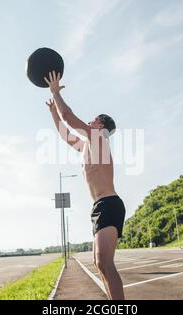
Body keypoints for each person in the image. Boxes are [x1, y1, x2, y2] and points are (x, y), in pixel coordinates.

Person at [44, 71, 126, 300]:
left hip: (109, 204)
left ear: (99, 123)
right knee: (100, 265)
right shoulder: (88, 145)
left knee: (104, 263)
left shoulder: (97, 138)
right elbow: (65, 133)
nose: (90, 121)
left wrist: (56, 93)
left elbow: (69, 118)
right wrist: (53, 112)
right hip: (100, 206)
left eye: (93, 119)